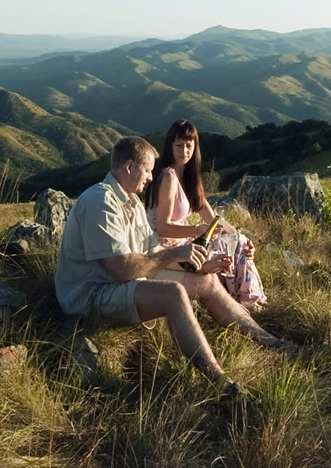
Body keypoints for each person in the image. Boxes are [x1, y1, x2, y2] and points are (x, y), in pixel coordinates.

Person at [54, 136, 295, 392]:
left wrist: (200, 264)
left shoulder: (131, 202)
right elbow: (121, 269)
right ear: (129, 167)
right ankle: (220, 383)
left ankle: (271, 342)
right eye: (147, 170)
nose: (150, 178)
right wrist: (174, 254)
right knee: (173, 294)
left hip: (122, 282)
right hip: (90, 295)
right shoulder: (99, 202)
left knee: (208, 282)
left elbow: (152, 251)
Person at [146, 119, 266, 309]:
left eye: (188, 145)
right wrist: (196, 231)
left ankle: (245, 299)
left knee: (238, 245)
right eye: (178, 145)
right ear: (169, 146)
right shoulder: (167, 177)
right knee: (225, 251)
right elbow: (162, 228)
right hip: (165, 247)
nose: (184, 151)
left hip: (181, 242)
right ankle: (248, 301)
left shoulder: (188, 177)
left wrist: (239, 236)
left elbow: (214, 219)